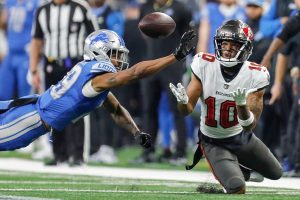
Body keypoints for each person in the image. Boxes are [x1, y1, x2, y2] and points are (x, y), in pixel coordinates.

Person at [0, 29, 195, 152]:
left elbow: (116, 110)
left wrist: (136, 132)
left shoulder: (95, 80)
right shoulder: (97, 79)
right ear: (98, 52)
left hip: (31, 112)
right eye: (114, 55)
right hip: (30, 119)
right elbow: (135, 72)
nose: (119, 60)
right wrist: (175, 56)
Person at [169, 20, 282, 194]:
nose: (228, 48)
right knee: (237, 187)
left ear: (245, 48)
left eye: (234, 45)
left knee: (276, 173)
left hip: (241, 137)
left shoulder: (256, 74)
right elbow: (187, 110)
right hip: (213, 141)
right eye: (224, 43)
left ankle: (238, 167)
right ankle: (233, 171)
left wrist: (242, 105)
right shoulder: (204, 63)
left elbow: (249, 125)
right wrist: (183, 102)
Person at [30, 0, 99, 166]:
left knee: (76, 109)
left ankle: (77, 155)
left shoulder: (80, 7)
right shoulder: (42, 10)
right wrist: (33, 70)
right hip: (50, 65)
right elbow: (37, 41)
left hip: (75, 64)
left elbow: (96, 38)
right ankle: (58, 154)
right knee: (52, 109)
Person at [136, 0, 192, 165]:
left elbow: (188, 36)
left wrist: (180, 58)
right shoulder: (145, 7)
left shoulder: (181, 8)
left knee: (178, 108)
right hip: (150, 62)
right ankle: (148, 151)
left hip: (172, 65)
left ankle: (180, 151)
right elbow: (143, 32)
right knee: (148, 109)